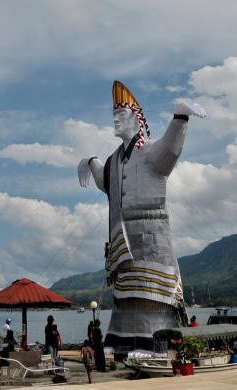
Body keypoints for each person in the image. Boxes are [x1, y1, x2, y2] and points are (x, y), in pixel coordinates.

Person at [78, 81, 206, 352]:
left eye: (120, 115)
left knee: (152, 291)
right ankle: (120, 338)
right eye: (113, 116)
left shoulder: (149, 151)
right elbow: (105, 180)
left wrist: (180, 118)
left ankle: (154, 340)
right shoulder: (115, 159)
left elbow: (171, 150)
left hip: (151, 231)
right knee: (125, 291)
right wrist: (90, 161)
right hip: (122, 235)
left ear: (136, 117)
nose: (115, 121)